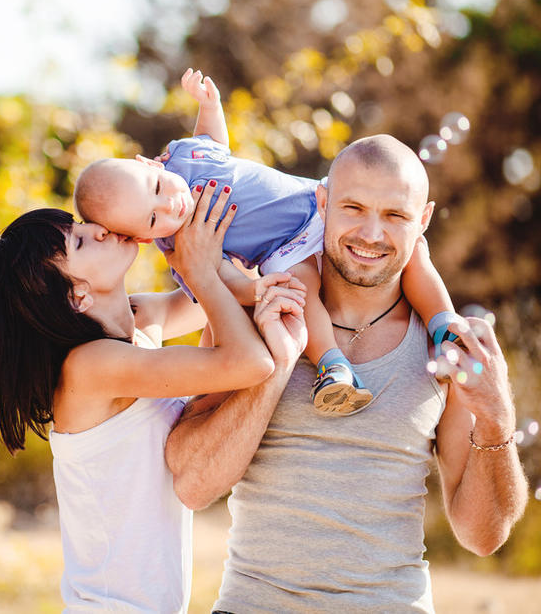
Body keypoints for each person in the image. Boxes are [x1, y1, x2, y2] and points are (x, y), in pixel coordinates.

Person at [165, 134, 529, 613]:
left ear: (423, 221)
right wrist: (276, 367)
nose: (371, 234)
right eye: (353, 207)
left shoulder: (452, 348)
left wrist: (498, 420)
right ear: (323, 202)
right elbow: (193, 484)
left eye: (395, 215)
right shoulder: (252, 319)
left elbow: (482, 537)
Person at [0, 181, 308, 612]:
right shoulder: (90, 367)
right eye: (79, 240)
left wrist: (173, 215)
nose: (97, 228)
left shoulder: (142, 321)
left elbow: (222, 293)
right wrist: (200, 271)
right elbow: (250, 363)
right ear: (77, 295)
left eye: (81, 223)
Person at [74, 68, 462, 416]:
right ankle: (335, 367)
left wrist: (210, 105)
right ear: (143, 237)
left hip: (318, 204)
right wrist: (256, 288)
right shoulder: (182, 245)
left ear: (150, 164)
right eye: (154, 217)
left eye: (157, 188)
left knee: (413, 251)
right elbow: (222, 278)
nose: (170, 204)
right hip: (285, 250)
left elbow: (214, 144)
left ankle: (445, 326)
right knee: (299, 292)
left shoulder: (183, 155)